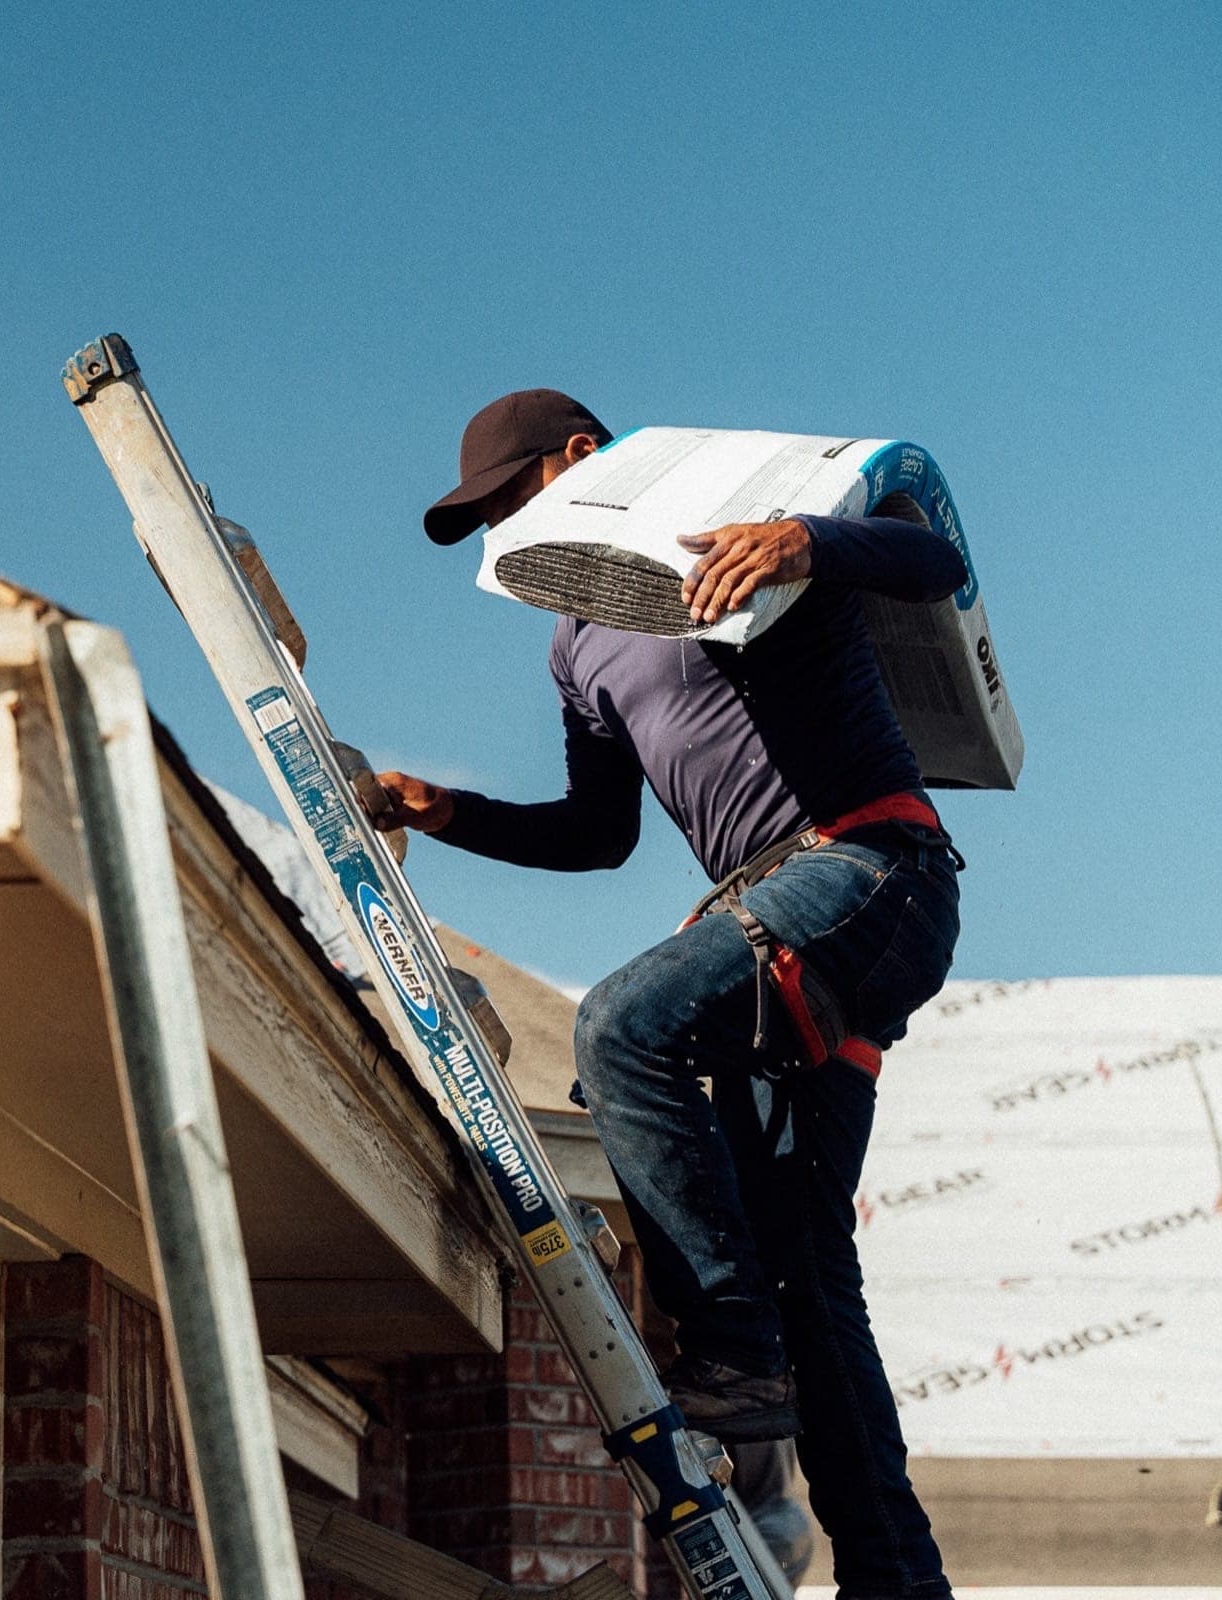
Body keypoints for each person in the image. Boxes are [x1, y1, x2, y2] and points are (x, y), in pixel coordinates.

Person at [383, 388, 967, 1600]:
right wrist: (454, 817)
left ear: (582, 460)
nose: (503, 532)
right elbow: (600, 837)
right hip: (785, 936)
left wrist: (806, 540)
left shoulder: (737, 520)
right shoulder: (577, 646)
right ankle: (896, 1581)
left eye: (509, 500)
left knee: (623, 1022)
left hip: (871, 872)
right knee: (815, 1278)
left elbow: (930, 554)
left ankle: (730, 1348)